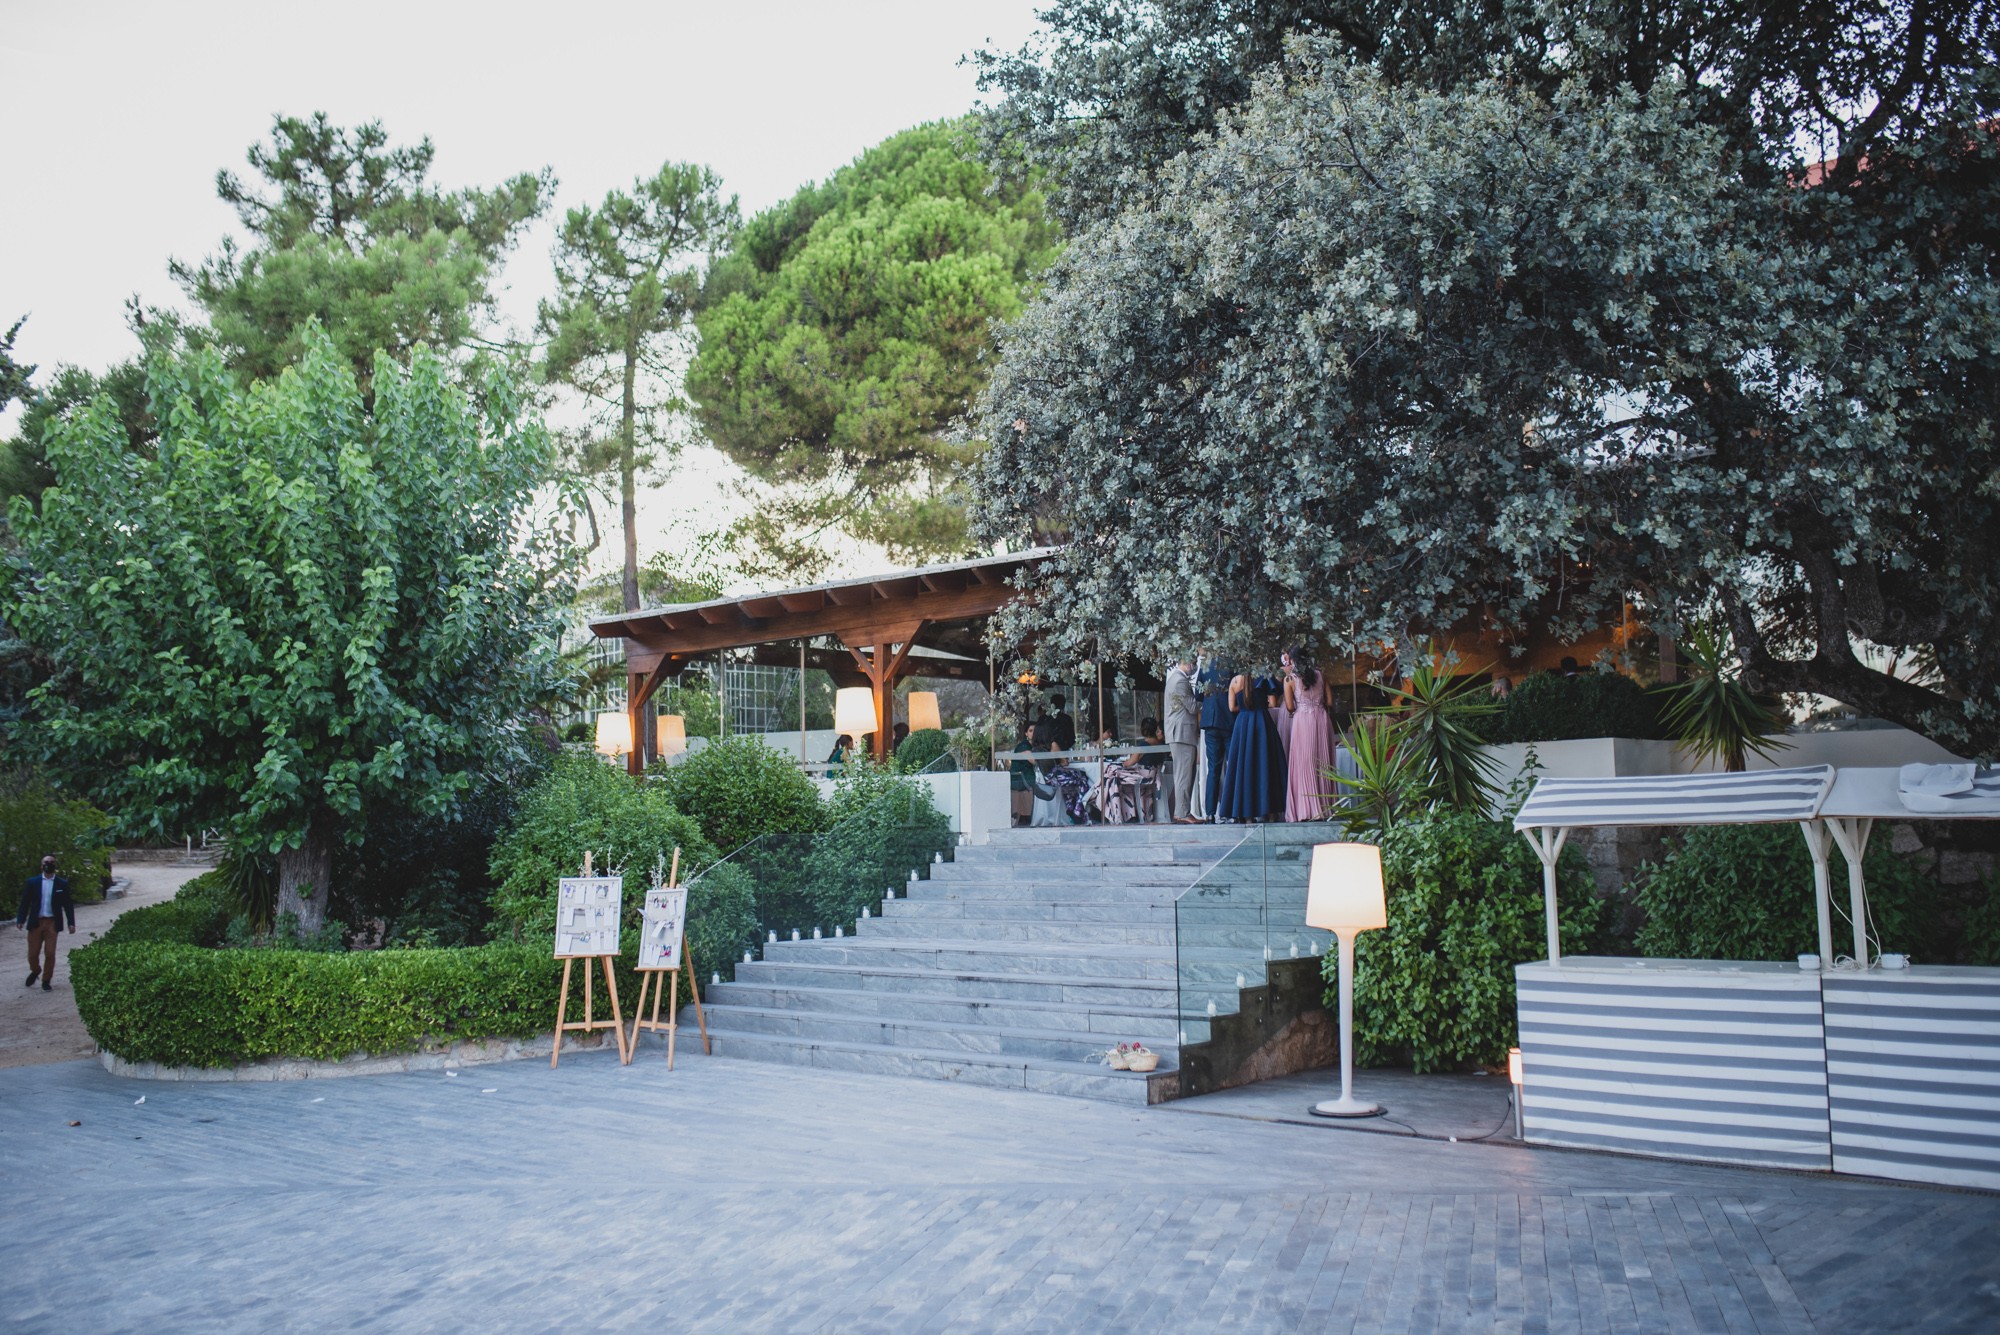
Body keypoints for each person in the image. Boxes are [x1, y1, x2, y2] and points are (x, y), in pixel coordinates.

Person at [1216, 670, 1286, 822]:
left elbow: (1231, 707)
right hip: (1262, 723)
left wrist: (1245, 707)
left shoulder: (1235, 681)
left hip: (1243, 724)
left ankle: (1247, 815)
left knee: (1245, 767)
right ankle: (1270, 812)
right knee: (1266, 765)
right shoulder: (1264, 677)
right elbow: (1273, 703)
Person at [1283, 647, 1339, 822]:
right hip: (1321, 719)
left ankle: (1305, 809)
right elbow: (1330, 701)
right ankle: (1325, 807)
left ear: (1293, 661)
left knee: (1304, 763)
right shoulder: (1321, 675)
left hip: (1302, 720)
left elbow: (1289, 707)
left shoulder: (1290, 679)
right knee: (1323, 762)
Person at [17, 854, 75, 992]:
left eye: (51, 862)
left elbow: (68, 904)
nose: (49, 864)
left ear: (55, 865)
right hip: (36, 922)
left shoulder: (62, 884)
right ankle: (35, 970)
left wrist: (71, 922)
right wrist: (21, 919)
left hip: (52, 922)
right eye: (46, 862)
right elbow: (25, 902)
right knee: (32, 954)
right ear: (41, 865)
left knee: (50, 953)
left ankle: (46, 980)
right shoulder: (33, 882)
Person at [1196, 657, 1236, 821]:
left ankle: (1210, 812)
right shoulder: (1232, 665)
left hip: (1211, 720)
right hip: (1229, 719)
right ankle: (1234, 810)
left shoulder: (1205, 666)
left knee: (1213, 769)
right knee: (1233, 767)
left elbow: (1198, 695)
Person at [1163, 656, 1200, 822]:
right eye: (1194, 663)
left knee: (1185, 773)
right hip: (1181, 733)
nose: (1195, 666)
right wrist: (1209, 701)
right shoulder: (1180, 681)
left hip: (1180, 733)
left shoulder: (1176, 679)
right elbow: (1192, 706)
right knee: (1184, 775)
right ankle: (1182, 812)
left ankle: (1183, 811)